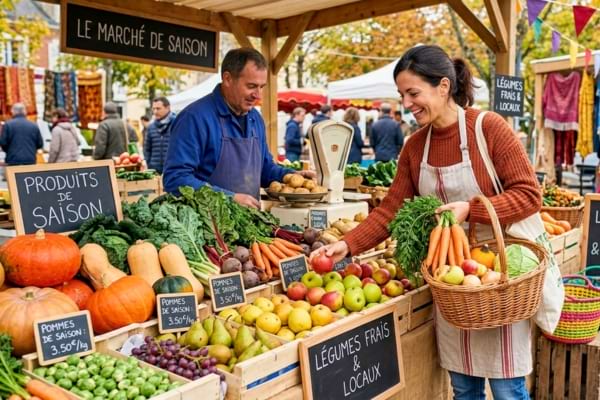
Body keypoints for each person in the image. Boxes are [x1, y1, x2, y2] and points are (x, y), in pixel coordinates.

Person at [313, 45, 542, 399]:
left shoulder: (489, 128)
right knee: (463, 388)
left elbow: (529, 195)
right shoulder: (415, 145)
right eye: (402, 94)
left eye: (413, 93)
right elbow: (391, 209)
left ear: (444, 87)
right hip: (448, 281)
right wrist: (349, 243)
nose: (407, 102)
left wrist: (471, 209)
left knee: (506, 388)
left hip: (497, 278)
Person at [162, 48, 313, 209]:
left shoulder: (255, 118)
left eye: (262, 87)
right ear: (227, 79)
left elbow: (264, 168)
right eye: (251, 86)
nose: (258, 95)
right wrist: (228, 198)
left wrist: (289, 176)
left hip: (247, 224)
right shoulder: (194, 118)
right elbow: (176, 179)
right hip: (206, 227)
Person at [144, 97, 175, 173]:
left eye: (158, 108)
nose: (155, 112)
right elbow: (147, 149)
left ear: (167, 108)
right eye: (153, 109)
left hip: (172, 169)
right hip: (155, 170)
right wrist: (149, 164)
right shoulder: (151, 127)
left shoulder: (177, 124)